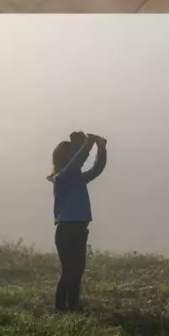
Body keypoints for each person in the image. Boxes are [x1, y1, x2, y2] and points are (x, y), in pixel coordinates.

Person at [47, 131, 107, 313]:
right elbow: (76, 163)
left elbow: (97, 169)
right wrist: (88, 144)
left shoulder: (76, 178)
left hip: (79, 230)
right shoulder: (62, 178)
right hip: (66, 231)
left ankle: (73, 305)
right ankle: (60, 308)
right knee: (69, 271)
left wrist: (101, 149)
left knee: (78, 270)